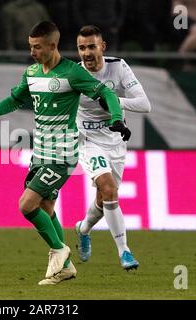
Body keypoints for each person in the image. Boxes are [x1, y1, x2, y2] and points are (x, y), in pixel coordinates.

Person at [0, 21, 131, 285]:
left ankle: (59, 250)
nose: (32, 52)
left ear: (52, 45)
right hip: (40, 152)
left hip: (63, 154)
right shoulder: (32, 72)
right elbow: (15, 100)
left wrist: (116, 119)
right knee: (45, 206)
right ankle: (65, 268)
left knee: (26, 205)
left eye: (37, 47)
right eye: (30, 47)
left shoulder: (71, 73)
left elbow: (107, 94)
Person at [74, 25, 151, 270]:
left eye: (91, 47)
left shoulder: (118, 67)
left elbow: (144, 104)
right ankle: (124, 252)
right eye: (81, 48)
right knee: (108, 188)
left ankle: (83, 228)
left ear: (102, 47)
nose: (86, 53)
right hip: (87, 140)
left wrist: (112, 100)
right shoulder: (73, 75)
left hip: (116, 139)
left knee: (105, 195)